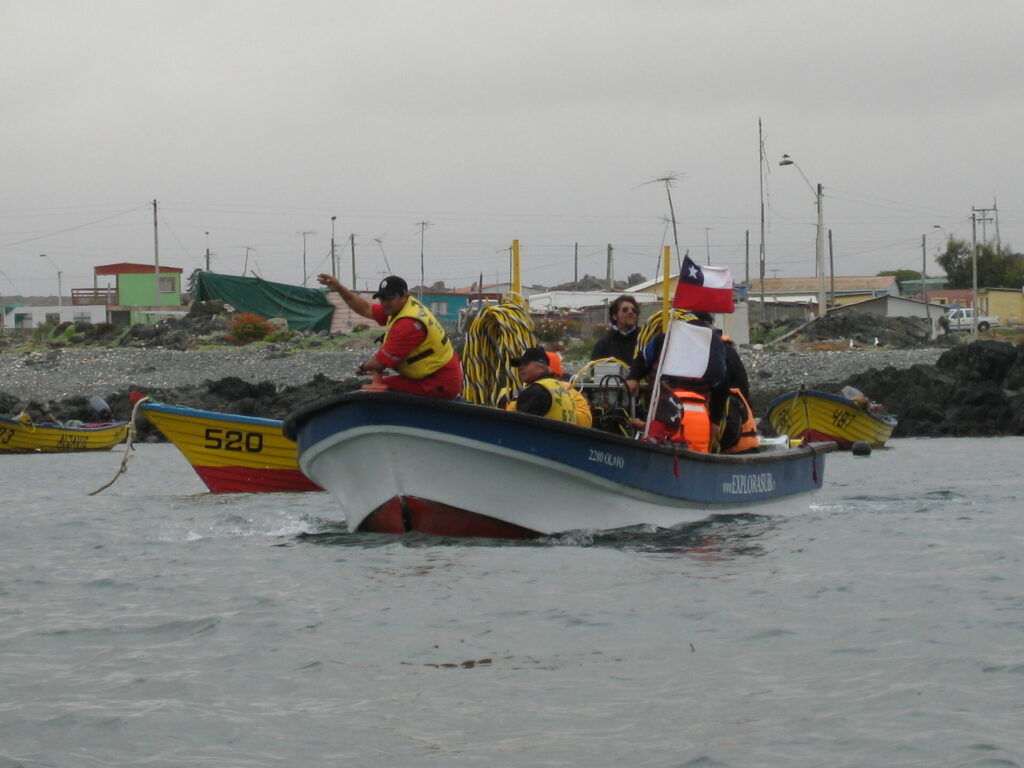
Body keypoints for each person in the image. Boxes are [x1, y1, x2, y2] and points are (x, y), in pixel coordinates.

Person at [317, 273, 463, 400]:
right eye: (381, 298)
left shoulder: (408, 324)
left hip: (438, 383)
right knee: (380, 383)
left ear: (404, 296)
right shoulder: (403, 308)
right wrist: (339, 288)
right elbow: (365, 308)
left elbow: (378, 364)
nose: (385, 303)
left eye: (389, 298)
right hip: (432, 375)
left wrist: (362, 367)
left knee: (376, 389)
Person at [506, 345, 577, 424]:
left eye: (525, 363)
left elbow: (520, 428)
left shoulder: (536, 391)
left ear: (541, 367)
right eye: (519, 364)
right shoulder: (562, 389)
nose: (520, 367)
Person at [590, 295, 641, 363]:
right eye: (625, 310)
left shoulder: (646, 340)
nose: (630, 312)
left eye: (634, 310)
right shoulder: (604, 345)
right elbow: (595, 369)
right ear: (615, 316)